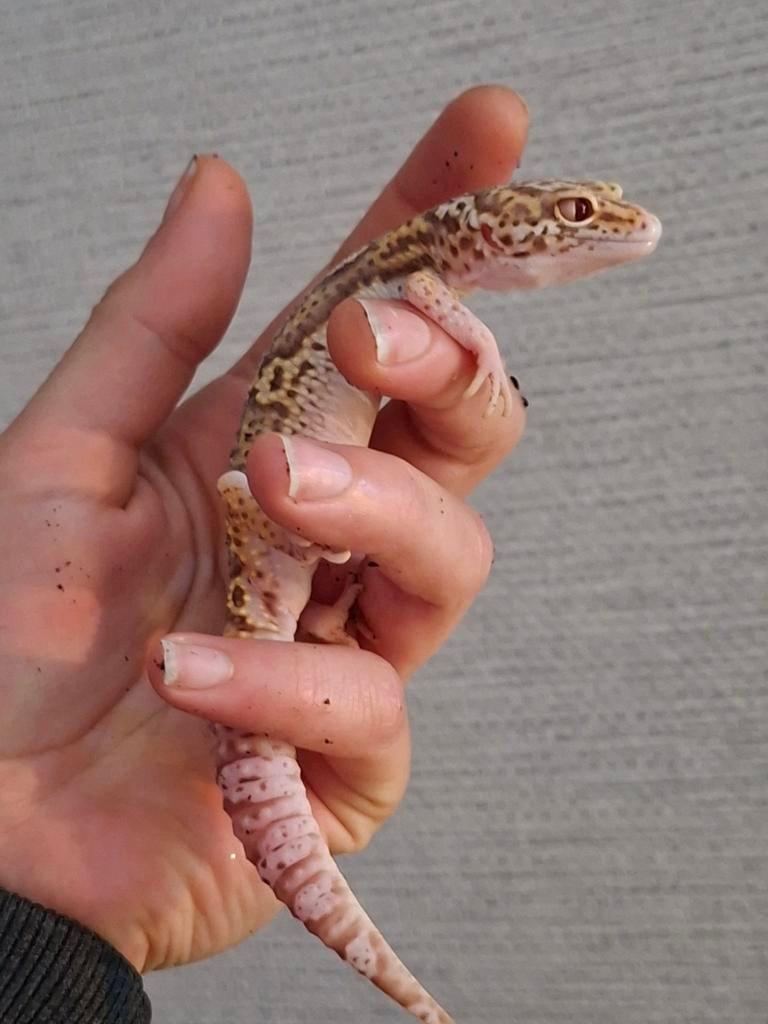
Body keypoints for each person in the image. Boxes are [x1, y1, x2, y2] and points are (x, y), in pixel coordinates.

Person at [0, 85, 529, 1021]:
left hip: (269, 564)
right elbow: (436, 299)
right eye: (568, 217)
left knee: (310, 586)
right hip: (266, 540)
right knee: (310, 556)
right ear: (492, 230)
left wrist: (43, 927)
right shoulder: (422, 276)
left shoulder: (402, 285)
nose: (591, 230)